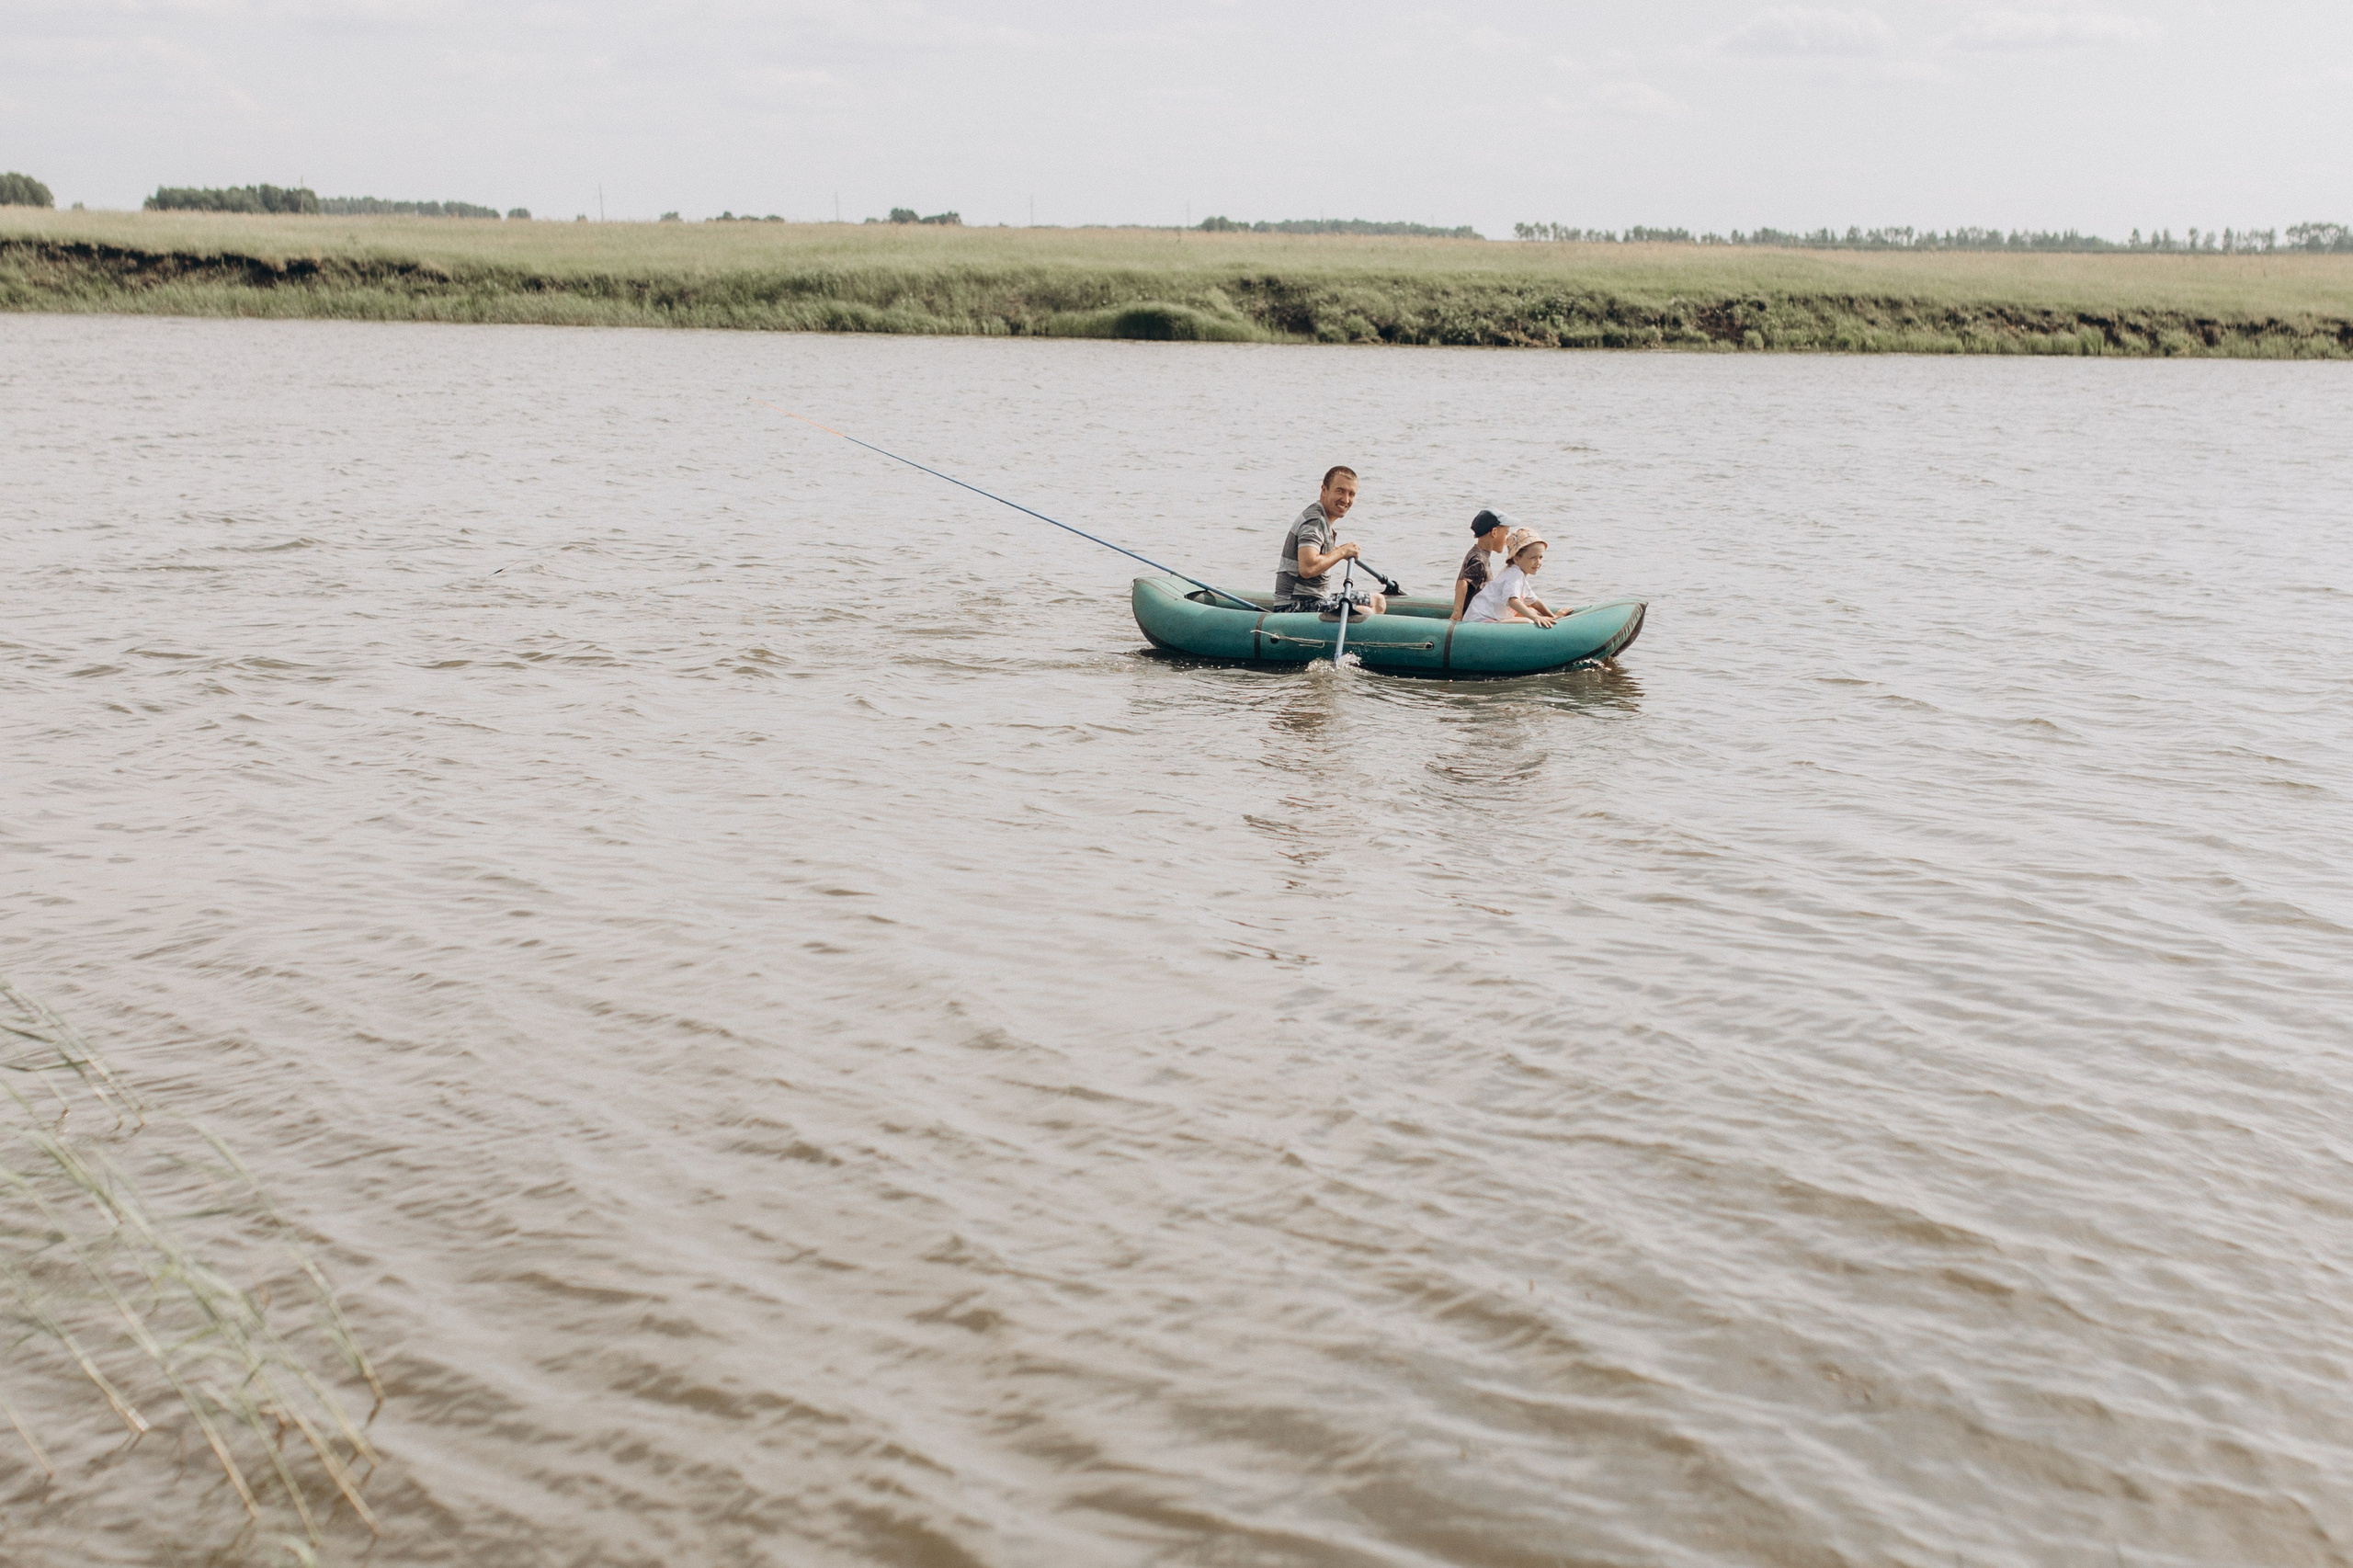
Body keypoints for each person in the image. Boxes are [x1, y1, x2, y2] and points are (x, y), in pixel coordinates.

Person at [1275, 467, 1385, 615]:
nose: (1346, 500)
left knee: (1378, 601)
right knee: (1365, 612)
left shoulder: (1324, 520)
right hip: (1294, 606)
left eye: (1351, 494)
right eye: (1340, 491)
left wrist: (1338, 551)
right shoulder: (1314, 521)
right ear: (1324, 490)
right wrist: (1342, 552)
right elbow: (1307, 568)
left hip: (1318, 599)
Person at [1462, 528, 1561, 627]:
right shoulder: (1514, 575)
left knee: (1532, 611)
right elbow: (1513, 601)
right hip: (1479, 620)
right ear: (1516, 559)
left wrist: (1553, 617)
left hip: (1490, 618)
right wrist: (1535, 618)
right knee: (1529, 621)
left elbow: (1536, 602)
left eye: (1540, 557)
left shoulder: (1519, 577)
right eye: (1533, 558)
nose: (1538, 562)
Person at [1450, 508, 1515, 621]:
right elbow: (1463, 583)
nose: (1506, 540)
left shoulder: (1479, 553)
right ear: (1494, 532)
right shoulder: (1479, 559)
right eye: (1506, 533)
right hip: (1476, 617)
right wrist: (1457, 614)